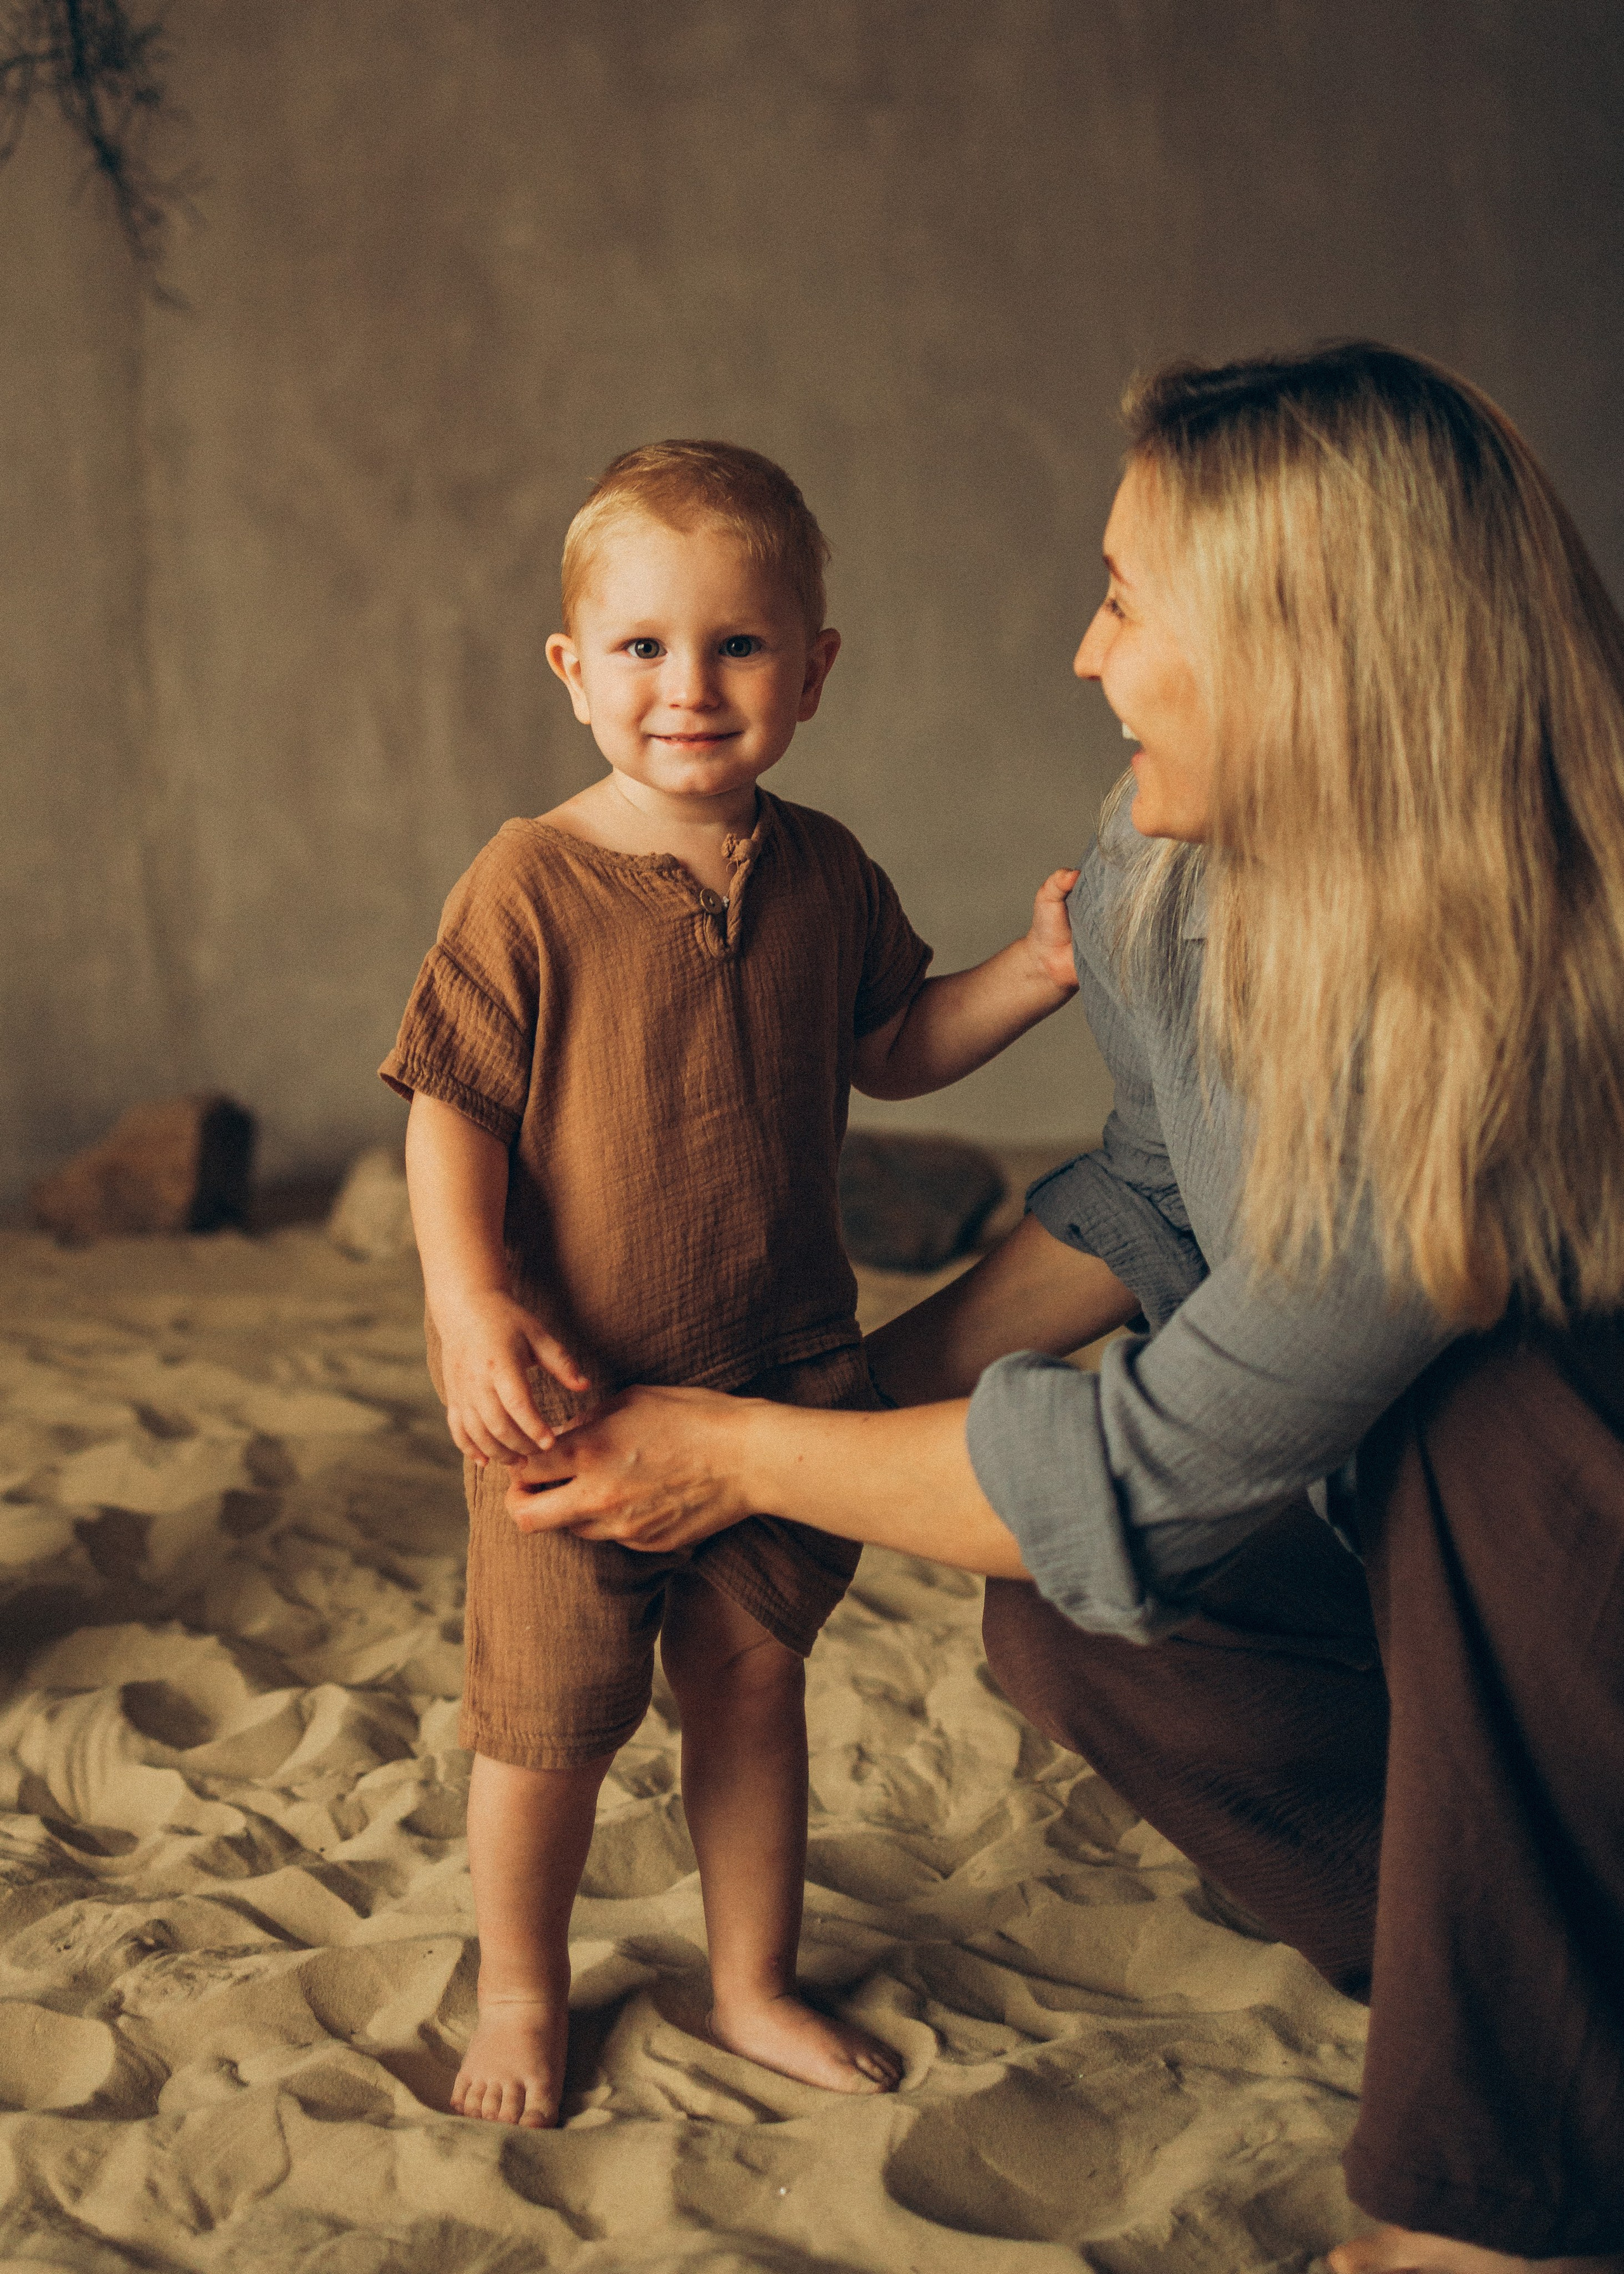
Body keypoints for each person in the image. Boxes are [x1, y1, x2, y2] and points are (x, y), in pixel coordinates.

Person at [501, 350, 1624, 2271]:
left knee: (1479, 1431)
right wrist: (850, 1391)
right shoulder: (1161, 867)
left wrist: (737, 1450)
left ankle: (1496, 2198)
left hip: (1570, 1573)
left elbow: (1152, 1471)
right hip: (1493, 1680)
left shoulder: (1495, 1009)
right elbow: (1165, 1198)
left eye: (1124, 601)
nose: (1084, 656)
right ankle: (1512, 1963)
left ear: (1303, 655)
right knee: (1082, 1631)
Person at [380, 439, 1082, 2129]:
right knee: (550, 1725)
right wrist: (472, 1300)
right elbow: (450, 1112)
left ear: (814, 668)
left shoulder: (828, 871)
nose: (689, 689)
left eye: (741, 646)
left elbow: (896, 1048)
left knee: (754, 1681)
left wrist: (1042, 970)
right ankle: (526, 1988)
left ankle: (750, 1978)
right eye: (642, 649)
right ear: (573, 671)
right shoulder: (528, 884)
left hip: (784, 1376)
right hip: (571, 1394)